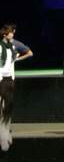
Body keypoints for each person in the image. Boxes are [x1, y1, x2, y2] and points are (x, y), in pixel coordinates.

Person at [0, 23, 32, 152]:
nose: (13, 34)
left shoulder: (13, 47)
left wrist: (15, 59)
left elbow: (15, 59)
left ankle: (6, 133)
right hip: (1, 80)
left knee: (8, 109)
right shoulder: (0, 47)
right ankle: (3, 138)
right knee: (2, 111)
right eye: (11, 32)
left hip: (10, 81)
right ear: (5, 34)